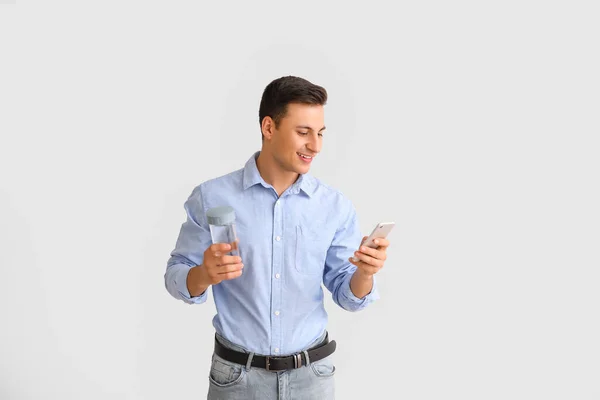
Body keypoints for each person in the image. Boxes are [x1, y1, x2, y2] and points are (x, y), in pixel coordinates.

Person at [164, 76, 391, 400]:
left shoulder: (334, 206)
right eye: (303, 132)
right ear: (269, 128)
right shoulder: (212, 196)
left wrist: (365, 273)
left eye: (320, 133)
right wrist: (202, 274)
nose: (316, 145)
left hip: (312, 380)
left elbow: (347, 293)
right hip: (236, 380)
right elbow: (176, 274)